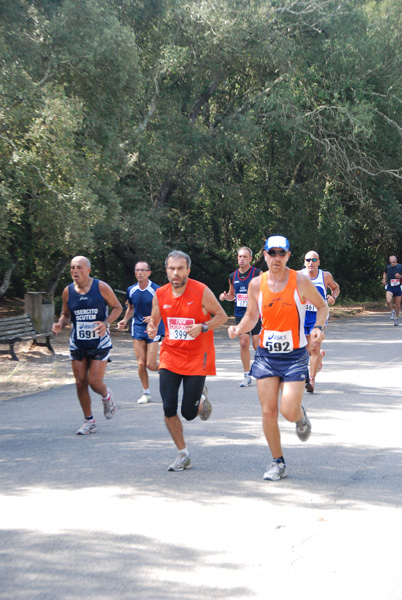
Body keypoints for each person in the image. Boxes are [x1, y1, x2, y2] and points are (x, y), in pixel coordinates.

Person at [228, 236, 328, 481]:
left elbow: (323, 306)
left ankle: (300, 417)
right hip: (266, 355)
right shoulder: (255, 284)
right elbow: (252, 316)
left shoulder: (300, 281)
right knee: (267, 411)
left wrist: (317, 328)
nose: (276, 257)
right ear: (264, 255)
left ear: (288, 256)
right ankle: (277, 462)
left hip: (294, 355)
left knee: (288, 409)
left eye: (281, 253)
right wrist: (239, 328)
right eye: (271, 253)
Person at [147, 250, 228, 471]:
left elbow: (221, 316)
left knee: (189, 414)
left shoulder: (201, 291)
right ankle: (182, 454)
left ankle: (201, 398)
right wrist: (151, 333)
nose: (176, 273)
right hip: (171, 356)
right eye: (172, 269)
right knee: (168, 407)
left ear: (188, 270)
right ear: (166, 271)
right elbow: (154, 324)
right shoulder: (160, 294)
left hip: (196, 358)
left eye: (180, 268)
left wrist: (203, 327)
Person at [52, 256, 122, 435]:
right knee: (80, 383)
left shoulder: (101, 287)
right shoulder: (68, 291)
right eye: (72, 268)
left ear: (88, 270)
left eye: (79, 267)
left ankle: (106, 397)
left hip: (99, 342)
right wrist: (61, 323)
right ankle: (89, 421)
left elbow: (117, 307)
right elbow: (66, 314)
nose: (75, 271)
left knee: (94, 382)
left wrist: (106, 323)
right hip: (78, 343)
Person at [117, 261, 165, 404]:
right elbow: (130, 308)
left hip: (153, 328)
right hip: (137, 327)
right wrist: (125, 320)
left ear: (149, 273)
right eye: (137, 270)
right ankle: (146, 393)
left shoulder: (157, 290)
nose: (139, 273)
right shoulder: (131, 290)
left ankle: (168, 372)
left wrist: (154, 317)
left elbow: (166, 308)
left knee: (151, 364)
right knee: (140, 363)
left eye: (143, 270)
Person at [219, 247, 262, 387]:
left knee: (257, 345)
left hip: (256, 314)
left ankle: (265, 369)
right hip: (241, 314)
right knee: (243, 343)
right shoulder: (233, 276)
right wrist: (226, 297)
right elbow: (232, 294)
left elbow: (267, 291)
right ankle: (246, 375)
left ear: (250, 258)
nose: (241, 259)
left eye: (244, 256)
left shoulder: (257, 273)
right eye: (239, 256)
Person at [301, 250, 340, 393]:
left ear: (319, 262)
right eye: (308, 260)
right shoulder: (299, 275)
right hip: (303, 317)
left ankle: (311, 380)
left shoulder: (325, 276)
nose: (310, 263)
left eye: (314, 260)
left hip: (318, 316)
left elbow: (335, 288)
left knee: (315, 346)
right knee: (308, 350)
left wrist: (333, 297)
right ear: (304, 262)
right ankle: (319, 356)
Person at [382, 256, 402, 326]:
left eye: (393, 262)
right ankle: (392, 311)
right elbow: (385, 273)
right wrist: (384, 279)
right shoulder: (388, 267)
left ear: (396, 261)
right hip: (390, 286)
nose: (392, 263)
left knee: (398, 305)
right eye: (390, 262)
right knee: (388, 300)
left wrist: (400, 276)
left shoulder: (400, 267)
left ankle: (396, 318)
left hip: (398, 287)